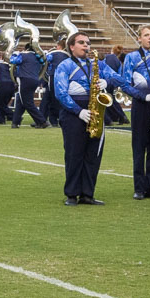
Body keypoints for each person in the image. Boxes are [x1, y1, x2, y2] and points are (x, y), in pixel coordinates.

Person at [53, 32, 141, 206]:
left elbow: (120, 80)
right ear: (71, 46)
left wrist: (107, 82)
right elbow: (60, 93)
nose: (86, 46)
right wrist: (78, 111)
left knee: (93, 155)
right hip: (74, 113)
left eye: (88, 43)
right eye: (81, 43)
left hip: (95, 110)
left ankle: (88, 193)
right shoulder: (65, 65)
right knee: (74, 154)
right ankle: (72, 194)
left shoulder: (97, 64)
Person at [121, 25, 150, 200]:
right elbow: (125, 84)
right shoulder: (132, 57)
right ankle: (139, 188)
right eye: (146, 35)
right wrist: (144, 96)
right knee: (139, 147)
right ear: (139, 38)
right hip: (141, 104)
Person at [10, 47, 47, 128]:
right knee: (21, 100)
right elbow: (43, 64)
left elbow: (13, 61)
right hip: (35, 80)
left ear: (26, 49)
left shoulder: (23, 55)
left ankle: (42, 121)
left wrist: (14, 54)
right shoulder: (38, 57)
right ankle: (15, 122)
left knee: (27, 103)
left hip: (24, 79)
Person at [103, 44, 130, 126]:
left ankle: (111, 118)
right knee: (111, 99)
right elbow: (119, 74)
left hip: (104, 80)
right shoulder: (118, 62)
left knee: (106, 99)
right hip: (113, 81)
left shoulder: (106, 57)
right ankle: (120, 116)